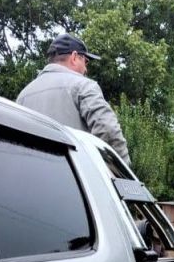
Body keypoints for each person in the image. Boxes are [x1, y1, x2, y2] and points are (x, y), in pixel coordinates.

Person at [17, 33, 131, 165]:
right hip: (74, 179)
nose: (86, 69)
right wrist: (121, 173)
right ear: (75, 57)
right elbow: (108, 130)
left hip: (31, 178)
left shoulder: (23, 96)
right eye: (85, 61)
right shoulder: (82, 85)